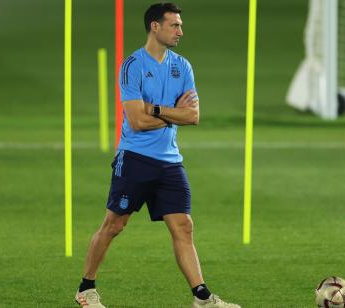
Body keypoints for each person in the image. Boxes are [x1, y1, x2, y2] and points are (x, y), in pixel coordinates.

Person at [74, 3, 240, 308]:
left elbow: (193, 117)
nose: (180, 31)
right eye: (174, 25)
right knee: (114, 225)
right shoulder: (133, 65)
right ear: (155, 26)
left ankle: (202, 297)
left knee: (184, 226)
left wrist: (158, 109)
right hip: (135, 158)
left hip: (170, 161)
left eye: (180, 25)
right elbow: (137, 121)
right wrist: (173, 112)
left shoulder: (183, 66)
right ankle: (86, 289)